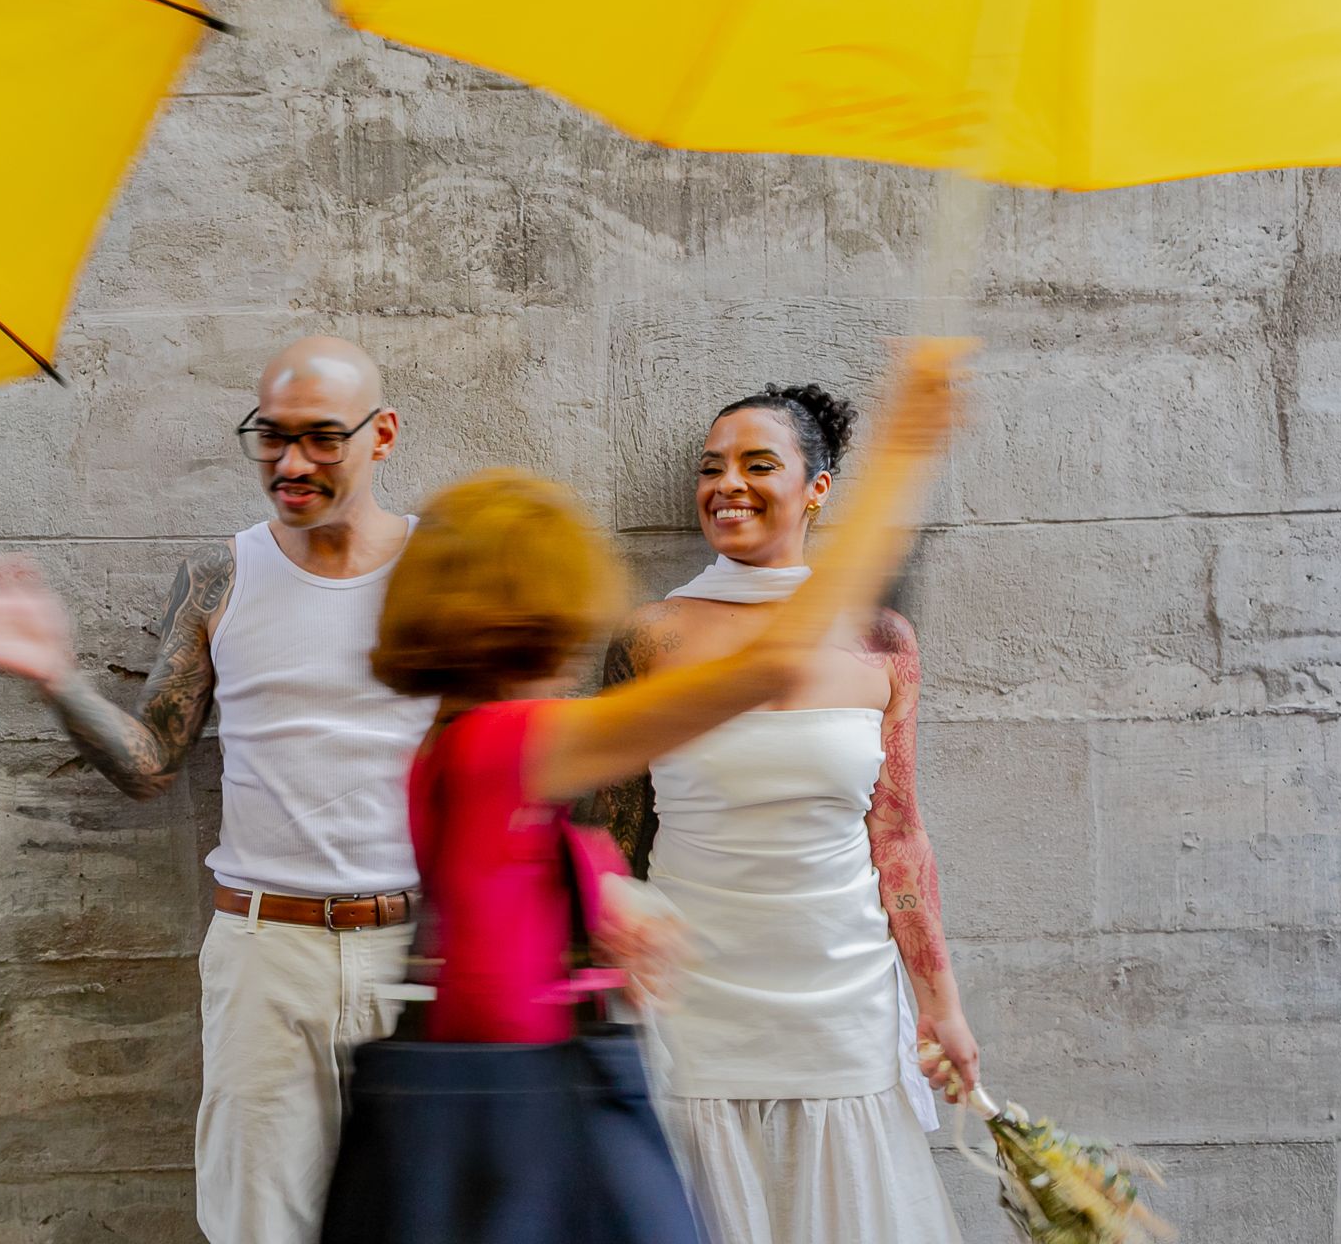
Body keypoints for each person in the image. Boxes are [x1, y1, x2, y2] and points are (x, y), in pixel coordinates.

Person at [327, 339, 966, 1242]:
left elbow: (548, 877)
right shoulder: (511, 747)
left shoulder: (460, 749)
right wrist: (902, 457)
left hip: (514, 1114)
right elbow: (776, 668)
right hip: (524, 1131)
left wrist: (614, 905)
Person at [0, 336, 435, 1244]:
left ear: (382, 436)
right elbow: (152, 765)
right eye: (270, 435)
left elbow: (502, 761)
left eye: (322, 439)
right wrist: (54, 676)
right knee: (256, 1224)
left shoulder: (446, 572)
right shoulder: (221, 577)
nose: (290, 463)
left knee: (425, 1218)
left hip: (417, 946)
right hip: (267, 949)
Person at [590, 371, 979, 1242]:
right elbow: (608, 834)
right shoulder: (652, 637)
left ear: (818, 488)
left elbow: (899, 833)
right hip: (692, 991)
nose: (726, 484)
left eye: (757, 463)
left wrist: (941, 1004)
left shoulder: (883, 642)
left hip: (839, 986)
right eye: (710, 467)